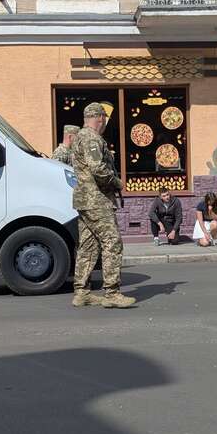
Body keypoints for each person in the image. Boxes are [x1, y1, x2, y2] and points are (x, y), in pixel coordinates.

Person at [71, 102, 135, 309]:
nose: (105, 122)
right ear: (100, 118)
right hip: (96, 200)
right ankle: (112, 293)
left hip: (85, 200)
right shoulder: (91, 138)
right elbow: (98, 168)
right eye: (104, 118)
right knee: (112, 242)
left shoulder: (79, 137)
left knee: (88, 246)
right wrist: (116, 182)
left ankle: (82, 293)